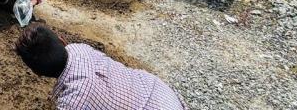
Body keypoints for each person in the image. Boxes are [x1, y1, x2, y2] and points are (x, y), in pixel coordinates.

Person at [15, 24, 187, 110]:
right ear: (62, 41)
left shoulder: (72, 103)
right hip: (160, 93)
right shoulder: (81, 49)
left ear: (36, 72)